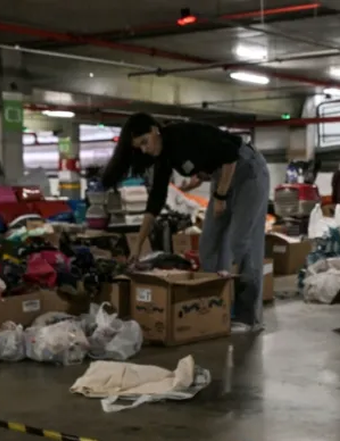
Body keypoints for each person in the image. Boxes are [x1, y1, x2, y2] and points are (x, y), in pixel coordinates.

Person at [101, 113, 270, 333]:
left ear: (155, 130)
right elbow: (156, 201)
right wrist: (138, 244)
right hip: (223, 176)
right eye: (139, 147)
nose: (145, 149)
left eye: (145, 142)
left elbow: (230, 154)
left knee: (242, 241)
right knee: (209, 244)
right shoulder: (164, 156)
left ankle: (249, 318)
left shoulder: (182, 135)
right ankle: (217, 309)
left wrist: (220, 196)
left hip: (248, 170)